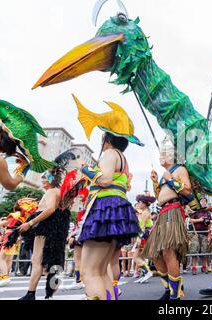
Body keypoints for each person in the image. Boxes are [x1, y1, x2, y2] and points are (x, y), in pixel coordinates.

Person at [70, 97, 143, 300]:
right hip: (114, 209)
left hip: (105, 208)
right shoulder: (122, 157)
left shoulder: (110, 154)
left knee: (90, 272)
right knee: (101, 272)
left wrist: (84, 167)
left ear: (107, 138)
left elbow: (105, 179)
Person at [144, 138, 198, 300]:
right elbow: (159, 197)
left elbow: (188, 192)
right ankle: (169, 288)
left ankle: (176, 294)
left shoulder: (180, 169)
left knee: (168, 251)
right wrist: (155, 182)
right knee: (154, 253)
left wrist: (170, 180)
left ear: (172, 156)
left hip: (173, 211)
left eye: (164, 154)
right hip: (162, 212)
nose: (161, 156)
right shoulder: (165, 174)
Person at [17, 164, 74, 300]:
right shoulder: (62, 193)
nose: (42, 181)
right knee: (55, 261)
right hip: (57, 233)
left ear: (49, 180)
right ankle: (50, 295)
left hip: (45, 230)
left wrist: (30, 223)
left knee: (36, 261)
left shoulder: (50, 192)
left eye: (44, 179)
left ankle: (30, 294)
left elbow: (50, 209)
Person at [132, 194, 155, 284]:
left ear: (144, 204)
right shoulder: (144, 212)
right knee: (140, 257)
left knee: (135, 257)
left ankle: (147, 272)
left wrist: (139, 238)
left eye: (140, 202)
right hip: (144, 234)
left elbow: (142, 227)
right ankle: (145, 274)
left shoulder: (145, 213)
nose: (138, 204)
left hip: (144, 235)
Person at [188, 197, 211, 275]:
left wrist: (208, 221)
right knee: (194, 250)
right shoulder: (195, 211)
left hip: (204, 233)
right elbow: (189, 221)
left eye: (205, 201)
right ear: (199, 202)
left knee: (204, 251)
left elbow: (211, 221)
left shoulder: (208, 212)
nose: (203, 202)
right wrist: (199, 220)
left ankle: (204, 266)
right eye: (202, 201)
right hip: (195, 234)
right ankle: (193, 267)